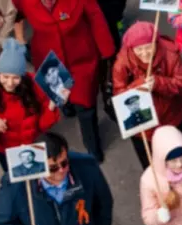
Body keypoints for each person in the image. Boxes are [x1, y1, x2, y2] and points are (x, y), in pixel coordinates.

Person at [13, 0, 116, 162]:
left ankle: (92, 148)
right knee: (61, 99)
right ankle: (67, 107)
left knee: (86, 106)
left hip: (81, 58)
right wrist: (19, 40)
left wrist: (107, 51)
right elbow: (12, 14)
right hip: (50, 59)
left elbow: (95, 17)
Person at [0, 38, 60, 172]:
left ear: (23, 76)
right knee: (16, 186)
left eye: (16, 77)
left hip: (34, 146)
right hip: (6, 151)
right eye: (5, 76)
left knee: (37, 183)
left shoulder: (36, 85)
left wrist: (52, 106)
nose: (10, 83)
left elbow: (42, 125)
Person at [113, 21, 182, 169]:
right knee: (150, 165)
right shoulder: (121, 64)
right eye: (139, 49)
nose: (145, 53)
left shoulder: (170, 54)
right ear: (131, 48)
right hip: (142, 126)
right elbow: (119, 94)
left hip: (172, 117)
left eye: (149, 47)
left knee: (179, 158)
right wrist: (139, 85)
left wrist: (158, 83)